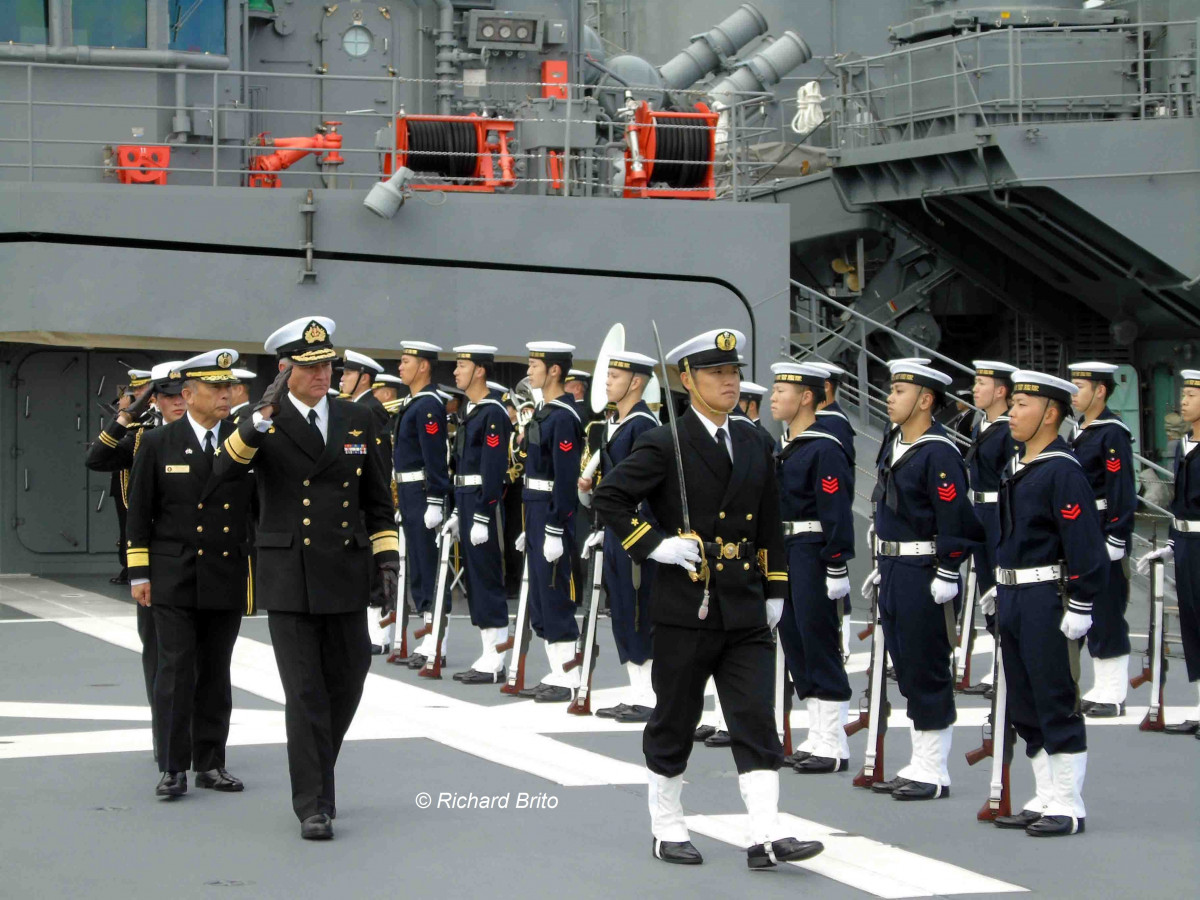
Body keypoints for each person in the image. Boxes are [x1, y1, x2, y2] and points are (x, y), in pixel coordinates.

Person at [593, 327, 824, 870]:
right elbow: (610, 497)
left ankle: (765, 834)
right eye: (716, 373)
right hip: (685, 603)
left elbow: (770, 522)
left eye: (733, 372)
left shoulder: (753, 440)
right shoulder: (665, 441)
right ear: (687, 379)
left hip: (743, 604)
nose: (729, 381)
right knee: (675, 717)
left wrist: (775, 590)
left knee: (754, 718)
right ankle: (667, 824)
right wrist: (656, 545)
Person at [212, 316, 398, 841]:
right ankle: (313, 803)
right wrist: (254, 422)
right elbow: (222, 475)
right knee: (306, 692)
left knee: (351, 677)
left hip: (345, 569)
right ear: (285, 368)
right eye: (313, 367)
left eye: (329, 365)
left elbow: (378, 501)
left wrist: (387, 560)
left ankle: (319, 768)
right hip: (289, 574)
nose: (325, 375)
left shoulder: (357, 418)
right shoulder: (258, 420)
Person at [980, 370, 1106, 836]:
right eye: (1011, 405)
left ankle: (1068, 803)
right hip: (1015, 594)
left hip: (1046, 597)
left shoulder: (1062, 470)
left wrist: (1082, 602)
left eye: (1022, 406)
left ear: (1051, 414)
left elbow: (1083, 544)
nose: (1011, 413)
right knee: (1025, 703)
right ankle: (1045, 795)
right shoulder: (1021, 465)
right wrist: (1000, 582)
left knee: (1055, 696)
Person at [125, 349, 254, 799]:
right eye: (215, 388)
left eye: (228, 387)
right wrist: (139, 573)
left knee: (216, 671)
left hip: (224, 571)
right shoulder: (158, 443)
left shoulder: (243, 441)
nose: (225, 395)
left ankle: (211, 763)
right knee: (176, 669)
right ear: (188, 394)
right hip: (173, 574)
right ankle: (173, 766)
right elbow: (140, 512)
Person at [863, 360, 983, 800]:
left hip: (925, 571)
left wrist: (949, 569)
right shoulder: (894, 441)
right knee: (907, 666)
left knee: (928, 666)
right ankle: (919, 761)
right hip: (895, 568)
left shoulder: (939, 452)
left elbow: (955, 518)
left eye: (899, 390)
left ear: (925, 400)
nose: (890, 397)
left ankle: (934, 771)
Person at [85, 362, 186, 738]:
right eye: (168, 396)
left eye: (183, 393)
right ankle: (167, 732)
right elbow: (96, 458)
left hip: (204, 558)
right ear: (157, 400)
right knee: (159, 652)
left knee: (206, 658)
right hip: (158, 560)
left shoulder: (219, 436)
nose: (178, 402)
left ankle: (204, 744)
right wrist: (130, 412)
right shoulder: (144, 438)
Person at [769, 362, 855, 774]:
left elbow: (836, 510)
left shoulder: (824, 447)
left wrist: (836, 562)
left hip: (811, 549)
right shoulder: (786, 445)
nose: (773, 396)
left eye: (782, 390)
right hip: (786, 549)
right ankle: (820, 734)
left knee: (818, 638)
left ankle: (833, 741)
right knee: (796, 639)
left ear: (806, 397)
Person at [578, 350, 660, 721]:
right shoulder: (619, 424)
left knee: (639, 612)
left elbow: (646, 492)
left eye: (614, 375)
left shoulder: (642, 426)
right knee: (623, 613)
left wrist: (631, 535)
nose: (607, 381)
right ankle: (637, 691)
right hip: (617, 533)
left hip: (635, 537)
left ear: (636, 382)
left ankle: (650, 696)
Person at [515, 342, 584, 702]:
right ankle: (556, 670)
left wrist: (555, 526)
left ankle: (569, 677)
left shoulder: (561, 417)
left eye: (534, 364)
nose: (530, 371)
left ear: (554, 370)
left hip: (551, 512)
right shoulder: (544, 413)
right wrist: (532, 526)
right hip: (537, 508)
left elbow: (566, 477)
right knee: (542, 596)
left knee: (555, 591)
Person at [1068, 361, 1135, 717]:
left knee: (1107, 610)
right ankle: (1099, 684)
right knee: (1086, 606)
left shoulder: (1112, 432)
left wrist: (1117, 534)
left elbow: (1121, 487)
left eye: (1080, 385)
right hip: (1082, 528)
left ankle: (1113, 691)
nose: (1074, 392)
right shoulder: (1081, 430)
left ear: (1101, 391)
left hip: (1101, 526)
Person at [1137, 368, 1200, 737]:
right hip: (1189, 546)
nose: (1184, 401)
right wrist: (1172, 546)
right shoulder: (1182, 447)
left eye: (1193, 395)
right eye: (1185, 394)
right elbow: (1181, 506)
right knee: (1192, 625)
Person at [446, 345, 513, 683]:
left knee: (486, 578)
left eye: (461, 365)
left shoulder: (492, 413)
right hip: (468, 501)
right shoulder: (470, 411)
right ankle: (488, 652)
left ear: (480, 371)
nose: (456, 372)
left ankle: (496, 659)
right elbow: (463, 467)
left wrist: (484, 515)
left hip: (481, 504)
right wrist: (459, 510)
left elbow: (493, 469)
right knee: (474, 578)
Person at [391, 341, 452, 669]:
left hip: (422, 492)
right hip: (410, 492)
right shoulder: (414, 403)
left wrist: (434, 501)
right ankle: (430, 635)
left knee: (428, 567)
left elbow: (435, 459)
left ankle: (436, 641)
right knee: (418, 566)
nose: (400, 367)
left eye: (405, 361)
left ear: (424, 366)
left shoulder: (428, 406)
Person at [961, 361, 1020, 692]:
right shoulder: (982, 425)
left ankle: (1009, 667)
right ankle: (1000, 662)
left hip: (999, 514)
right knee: (988, 591)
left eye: (982, 382)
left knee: (1002, 588)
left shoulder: (1008, 430)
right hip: (980, 511)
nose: (975, 388)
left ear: (1001, 391)